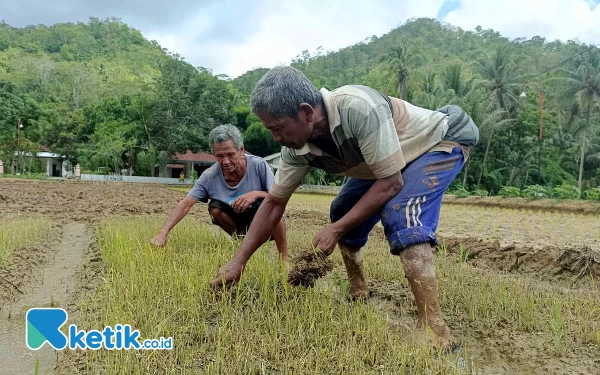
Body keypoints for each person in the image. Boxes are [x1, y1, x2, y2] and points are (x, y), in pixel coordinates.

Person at [208, 66, 479, 349]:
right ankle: (358, 289)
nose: (275, 138)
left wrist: (335, 231)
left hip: (438, 141)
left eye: (277, 128)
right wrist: (237, 262)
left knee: (403, 213)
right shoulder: (295, 149)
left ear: (306, 112)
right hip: (387, 162)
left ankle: (435, 330)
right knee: (342, 209)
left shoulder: (358, 108)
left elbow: (390, 183)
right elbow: (274, 202)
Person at [150, 124, 289, 264]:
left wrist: (255, 193)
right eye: (220, 156)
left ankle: (284, 259)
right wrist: (163, 233)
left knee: (274, 206)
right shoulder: (210, 176)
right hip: (237, 219)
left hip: (264, 219)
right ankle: (243, 243)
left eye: (230, 155)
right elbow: (186, 204)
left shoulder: (259, 165)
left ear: (241, 150)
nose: (226, 161)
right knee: (215, 208)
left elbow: (278, 196)